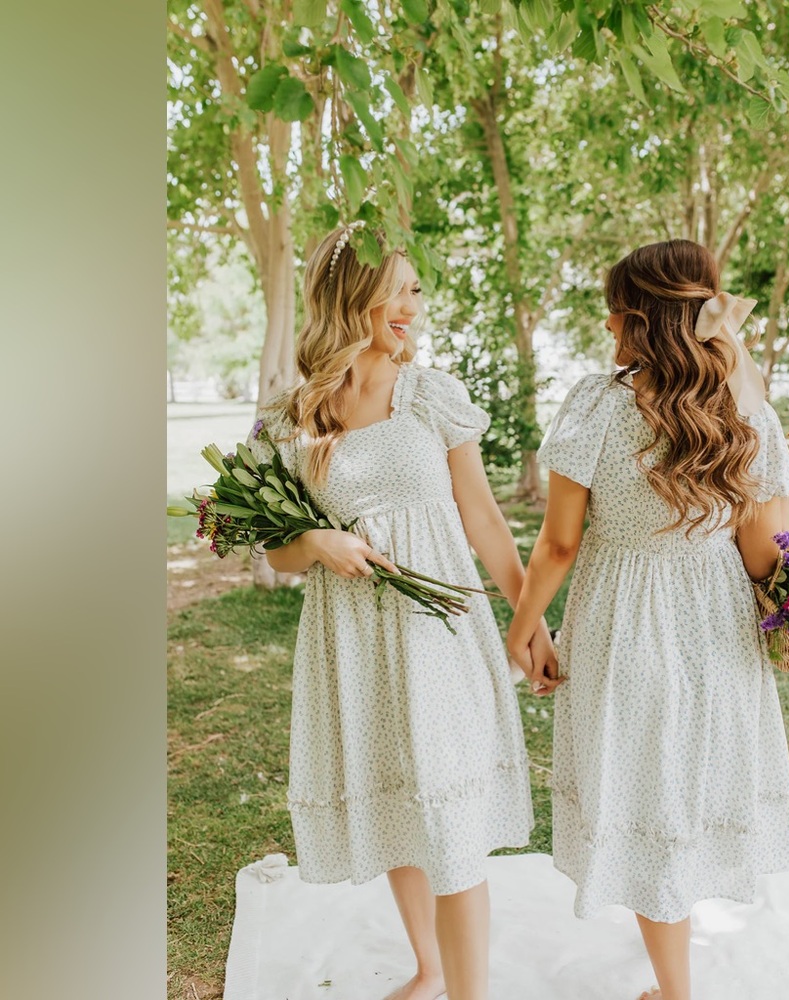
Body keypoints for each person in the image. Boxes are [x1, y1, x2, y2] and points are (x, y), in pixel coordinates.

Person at [506, 239, 789, 1000]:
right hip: (711, 616)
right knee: (684, 783)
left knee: (645, 785)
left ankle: (674, 990)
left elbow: (558, 542)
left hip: (623, 616)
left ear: (631, 320)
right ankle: (674, 973)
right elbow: (760, 556)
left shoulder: (593, 403)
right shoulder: (744, 413)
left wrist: (525, 623)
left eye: (613, 314)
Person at [246, 224, 557, 1000]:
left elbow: (483, 518)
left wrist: (528, 619)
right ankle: (429, 967)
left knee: (450, 825)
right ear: (355, 298)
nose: (416, 305)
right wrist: (316, 540)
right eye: (403, 290)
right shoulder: (298, 414)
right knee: (400, 806)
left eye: (418, 289)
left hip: (438, 629)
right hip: (350, 638)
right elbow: (275, 552)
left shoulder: (430, 395)